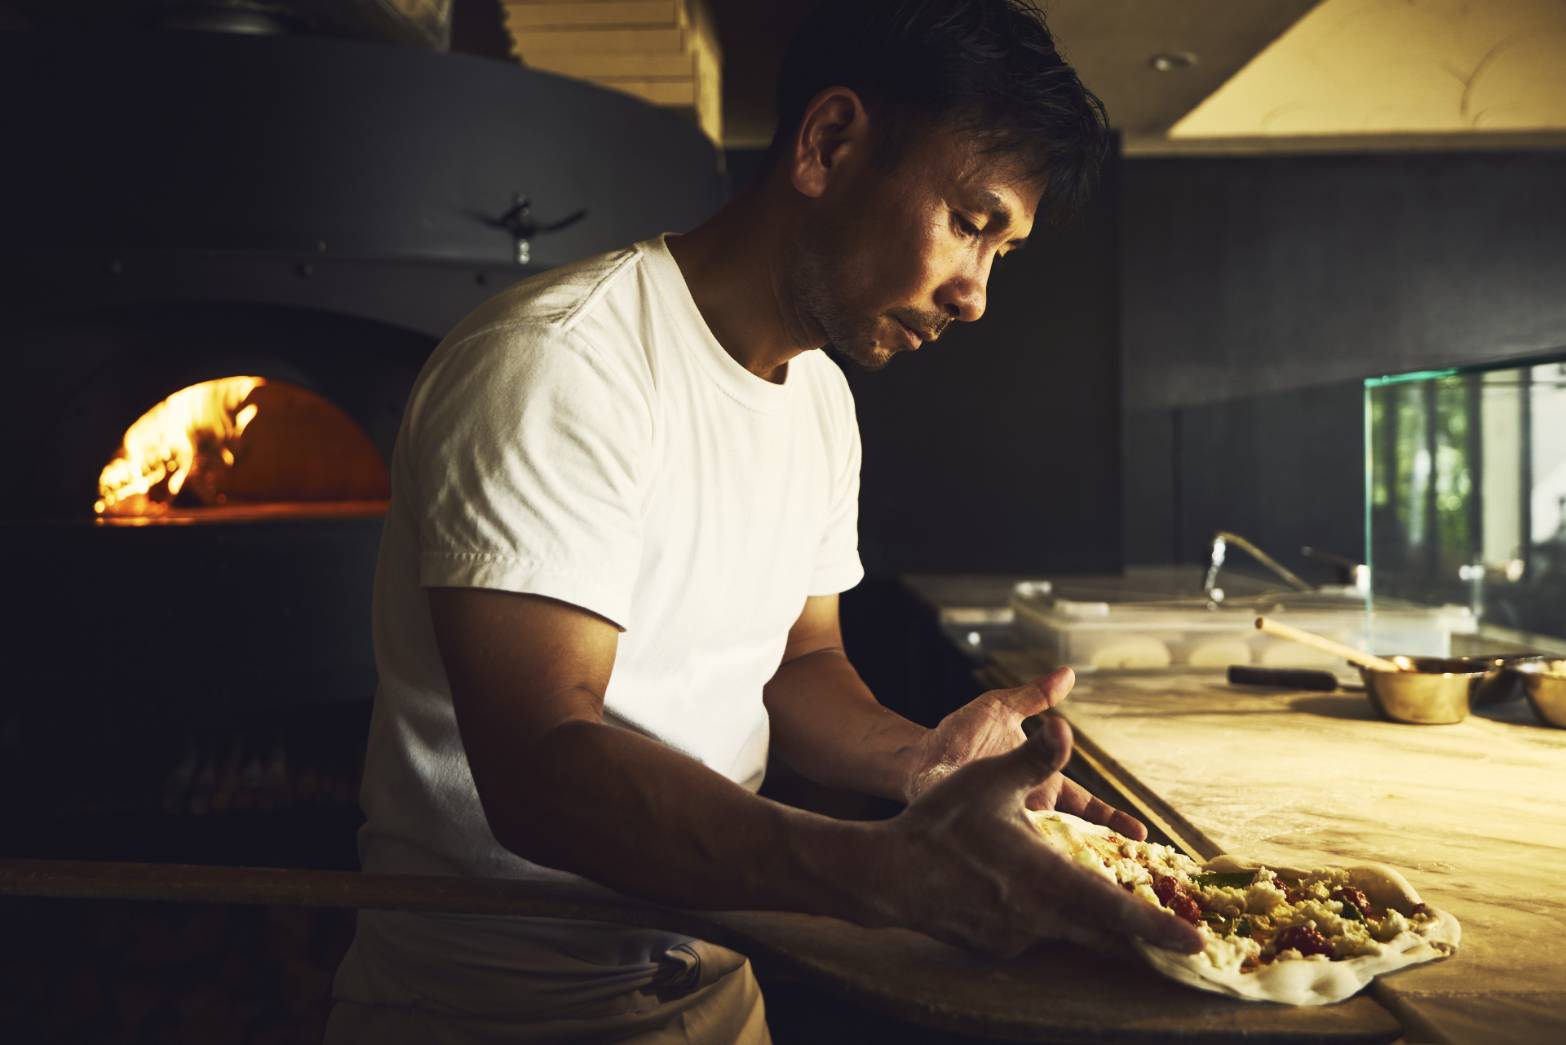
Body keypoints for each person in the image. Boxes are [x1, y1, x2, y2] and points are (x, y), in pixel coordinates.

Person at [326, 1, 1203, 1041]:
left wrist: (920, 761)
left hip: (720, 985)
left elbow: (798, 665)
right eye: (972, 222)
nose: (976, 295)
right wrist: (875, 872)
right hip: (501, 1009)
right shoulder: (562, 363)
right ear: (829, 144)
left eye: (1002, 251)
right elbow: (540, 769)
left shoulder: (819, 398)